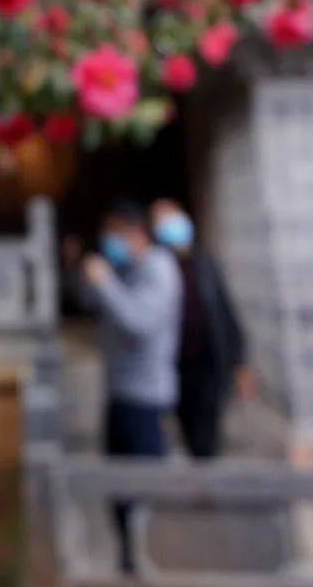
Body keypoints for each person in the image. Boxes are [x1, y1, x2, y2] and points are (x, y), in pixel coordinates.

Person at [66, 198, 182, 574]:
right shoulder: (124, 268)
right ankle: (128, 561)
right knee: (118, 486)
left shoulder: (158, 270)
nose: (109, 242)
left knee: (144, 490)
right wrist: (80, 271)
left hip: (146, 397)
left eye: (114, 233)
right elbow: (88, 302)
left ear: (135, 233)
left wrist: (107, 283)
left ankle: (153, 560)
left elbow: (138, 324)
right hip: (119, 393)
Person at [150, 198, 251, 459]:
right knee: (184, 429)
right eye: (162, 221)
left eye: (173, 217)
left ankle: (206, 485)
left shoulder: (205, 264)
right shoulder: (156, 268)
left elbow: (225, 314)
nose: (170, 225)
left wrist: (239, 362)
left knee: (207, 436)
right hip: (174, 365)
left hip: (208, 364)